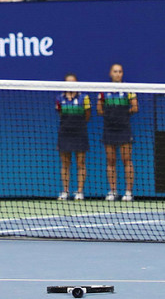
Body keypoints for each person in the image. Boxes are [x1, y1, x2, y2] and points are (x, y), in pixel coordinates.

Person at [98, 63, 136, 202]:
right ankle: (113, 191)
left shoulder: (128, 89)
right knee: (111, 161)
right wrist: (110, 116)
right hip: (109, 129)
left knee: (127, 160)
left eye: (120, 71)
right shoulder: (103, 91)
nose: (118, 74)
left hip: (124, 129)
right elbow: (99, 109)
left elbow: (135, 107)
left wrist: (123, 115)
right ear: (110, 73)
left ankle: (128, 192)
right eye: (115, 71)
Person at [56, 74, 89, 201]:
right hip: (64, 133)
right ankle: (65, 191)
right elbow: (60, 114)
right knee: (65, 163)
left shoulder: (83, 98)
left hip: (80, 133)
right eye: (68, 82)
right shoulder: (59, 98)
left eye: (72, 82)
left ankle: (80, 192)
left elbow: (87, 115)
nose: (70, 84)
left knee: (81, 162)